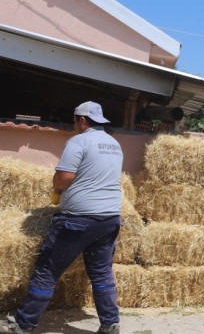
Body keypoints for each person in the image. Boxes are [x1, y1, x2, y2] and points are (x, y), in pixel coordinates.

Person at [2, 102, 125, 334]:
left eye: (75, 121)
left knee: (47, 271)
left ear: (82, 120)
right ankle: (110, 323)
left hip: (78, 219)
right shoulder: (114, 144)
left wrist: (57, 189)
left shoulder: (79, 141)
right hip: (109, 218)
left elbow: (64, 177)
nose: (74, 125)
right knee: (101, 274)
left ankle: (23, 324)